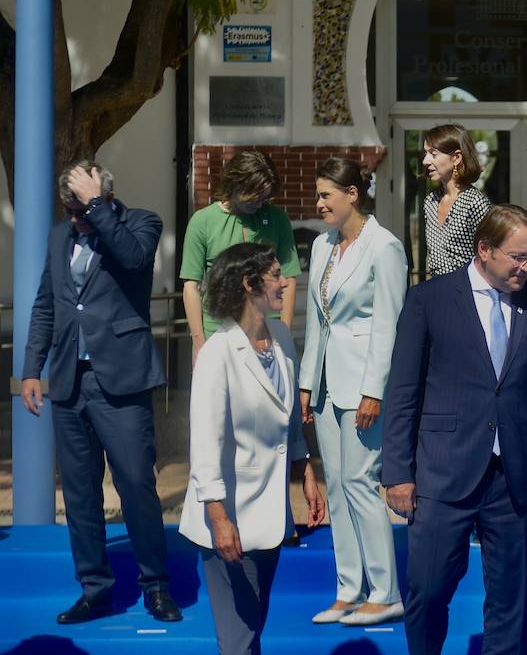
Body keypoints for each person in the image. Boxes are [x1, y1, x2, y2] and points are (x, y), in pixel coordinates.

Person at [382, 205, 527, 655]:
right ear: (484, 250)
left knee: (511, 601)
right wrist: (398, 472)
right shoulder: (429, 300)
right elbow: (403, 392)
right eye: (519, 257)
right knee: (426, 593)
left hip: (511, 476)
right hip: (441, 474)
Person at [21, 161, 181, 625]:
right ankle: (95, 588)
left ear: (106, 198)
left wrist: (96, 205)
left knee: (135, 483)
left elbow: (132, 258)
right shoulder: (59, 237)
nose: (76, 219)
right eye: (69, 210)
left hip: (123, 379)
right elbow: (47, 303)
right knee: (80, 494)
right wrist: (33, 368)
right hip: (71, 381)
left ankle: (156, 585)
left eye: (83, 209)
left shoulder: (140, 223)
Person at [179, 242, 325, 655]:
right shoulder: (218, 353)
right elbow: (206, 443)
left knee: (250, 625)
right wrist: (218, 517)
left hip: (271, 515)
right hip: (227, 519)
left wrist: (307, 470)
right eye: (275, 275)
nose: (285, 282)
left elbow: (288, 423)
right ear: (249, 285)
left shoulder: (281, 336)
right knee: (241, 635)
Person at [299, 158, 408, 626]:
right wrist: (307, 382)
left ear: (353, 194)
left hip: (364, 386)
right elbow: (315, 320)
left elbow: (389, 323)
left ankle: (385, 592)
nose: (319, 203)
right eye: (318, 194)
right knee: (339, 487)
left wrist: (374, 390)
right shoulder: (323, 246)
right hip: (326, 382)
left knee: (363, 483)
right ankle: (349, 589)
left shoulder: (384, 247)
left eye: (327, 194)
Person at [182, 150, 301, 364]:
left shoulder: (277, 218)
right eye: (255, 197)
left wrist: (284, 334)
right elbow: (191, 286)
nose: (260, 203)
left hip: (268, 335)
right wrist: (200, 344)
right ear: (234, 183)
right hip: (217, 334)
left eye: (266, 197)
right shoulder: (202, 221)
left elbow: (290, 279)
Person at [420, 123, 493, 277]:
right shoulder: (430, 202)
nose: (425, 161)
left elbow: (491, 255)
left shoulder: (475, 203)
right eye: (426, 153)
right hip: (436, 290)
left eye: (433, 154)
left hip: (466, 292)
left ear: (456, 158)